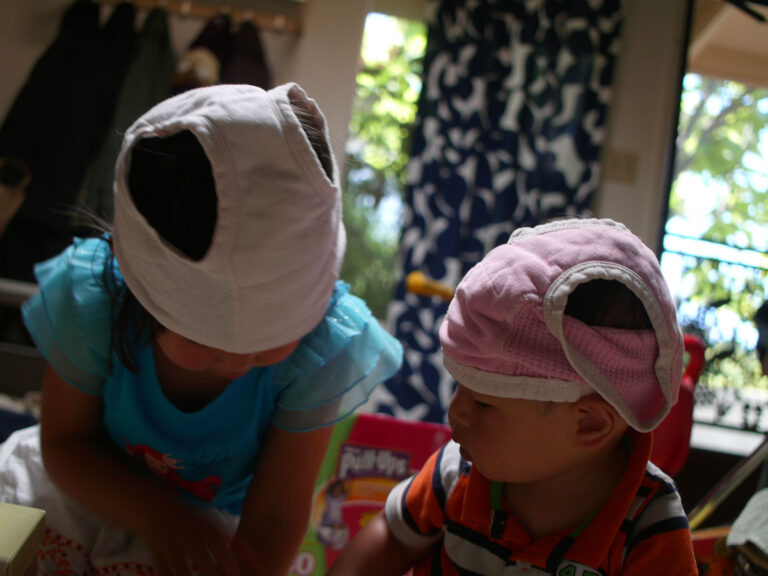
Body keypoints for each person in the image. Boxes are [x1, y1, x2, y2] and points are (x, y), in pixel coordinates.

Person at [0, 83, 403, 576]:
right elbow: (65, 445)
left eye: (268, 341)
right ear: (140, 291)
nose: (237, 362)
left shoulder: (319, 351)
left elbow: (274, 521)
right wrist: (156, 514)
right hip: (84, 487)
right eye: (206, 340)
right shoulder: (97, 300)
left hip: (205, 531)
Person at [327, 218, 698, 576]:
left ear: (588, 424)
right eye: (459, 388)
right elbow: (393, 536)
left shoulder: (649, 529)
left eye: (484, 404)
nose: (456, 413)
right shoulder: (456, 472)